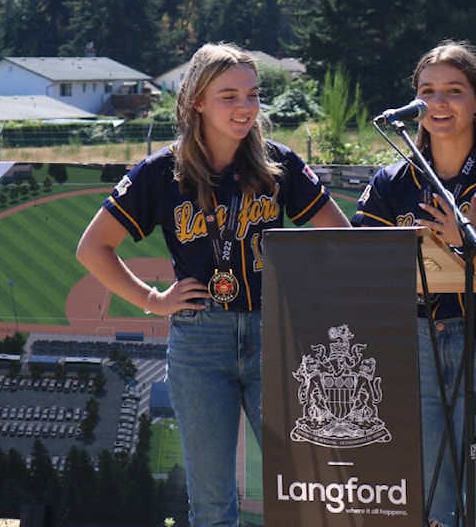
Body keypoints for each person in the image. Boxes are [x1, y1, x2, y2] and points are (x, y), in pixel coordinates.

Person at [76, 43, 350, 527]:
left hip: (276, 338)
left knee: (306, 494)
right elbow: (93, 247)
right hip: (200, 340)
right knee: (211, 505)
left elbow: (341, 237)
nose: (245, 107)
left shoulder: (278, 163)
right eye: (229, 96)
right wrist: (152, 300)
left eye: (252, 94)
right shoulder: (160, 171)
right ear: (196, 100)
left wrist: (303, 297)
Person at [352, 40, 476, 527]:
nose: (438, 103)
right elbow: (358, 269)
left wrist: (469, 241)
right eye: (426, 92)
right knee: (423, 510)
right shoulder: (389, 184)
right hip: (413, 350)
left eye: (454, 91)